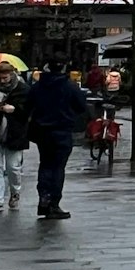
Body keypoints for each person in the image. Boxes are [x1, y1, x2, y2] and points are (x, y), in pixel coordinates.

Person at [25, 57, 89, 220]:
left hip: (42, 131)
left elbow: (27, 106)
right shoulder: (69, 87)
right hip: (62, 131)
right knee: (58, 167)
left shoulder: (38, 86)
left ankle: (44, 199)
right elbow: (82, 107)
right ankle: (54, 203)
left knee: (45, 165)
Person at [0, 63, 32, 213]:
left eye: (5, 77)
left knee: (13, 167)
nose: (2, 81)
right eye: (0, 78)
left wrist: (15, 109)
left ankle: (15, 192)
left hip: (15, 133)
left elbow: (29, 110)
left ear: (12, 75)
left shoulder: (23, 90)